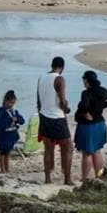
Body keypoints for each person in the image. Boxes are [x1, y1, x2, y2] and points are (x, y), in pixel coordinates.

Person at [74, 70, 107, 181]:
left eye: (84, 80)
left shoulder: (86, 93)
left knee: (87, 153)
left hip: (88, 126)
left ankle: (84, 178)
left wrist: (85, 113)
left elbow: (84, 105)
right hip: (100, 123)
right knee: (97, 151)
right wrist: (102, 106)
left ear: (86, 80)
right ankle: (99, 176)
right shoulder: (102, 91)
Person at [36, 56, 74, 186]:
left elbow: (38, 100)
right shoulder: (59, 79)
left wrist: (41, 113)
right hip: (56, 117)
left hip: (44, 115)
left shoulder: (41, 77)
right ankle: (67, 179)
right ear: (62, 68)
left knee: (48, 148)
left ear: (51, 65)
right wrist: (67, 109)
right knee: (68, 146)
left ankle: (47, 178)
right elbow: (62, 101)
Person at [0, 90, 24, 173]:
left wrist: (17, 119)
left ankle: (7, 168)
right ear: (5, 101)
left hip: (11, 134)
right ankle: (2, 169)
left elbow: (22, 121)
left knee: (8, 152)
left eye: (13, 103)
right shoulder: (2, 111)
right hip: (2, 135)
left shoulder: (14, 111)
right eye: (10, 103)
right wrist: (9, 120)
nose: (11, 105)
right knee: (2, 152)